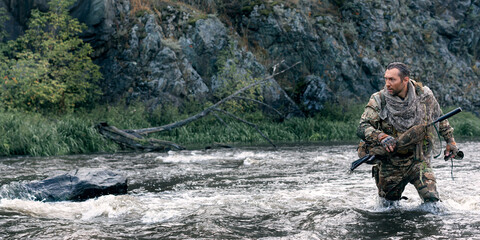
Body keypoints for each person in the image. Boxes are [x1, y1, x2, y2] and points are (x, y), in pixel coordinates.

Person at [356, 62, 459, 203]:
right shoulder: (379, 99)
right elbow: (363, 126)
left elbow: (439, 118)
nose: (387, 83)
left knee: (432, 201)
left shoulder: (424, 96)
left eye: (392, 79)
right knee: (388, 207)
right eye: (386, 79)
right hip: (391, 162)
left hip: (418, 160)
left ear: (405, 80)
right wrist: (381, 137)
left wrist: (450, 141)